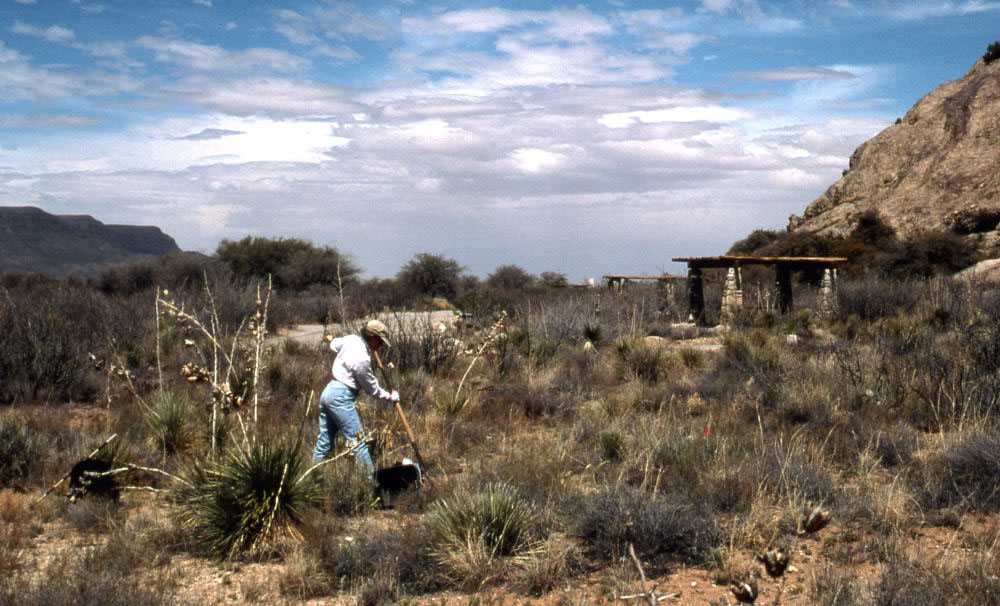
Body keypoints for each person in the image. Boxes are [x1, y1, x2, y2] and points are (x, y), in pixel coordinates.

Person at [312, 319, 399, 473]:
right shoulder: (362, 358)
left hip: (328, 392)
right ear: (372, 336)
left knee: (324, 444)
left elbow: (333, 345)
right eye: (380, 341)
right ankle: (370, 488)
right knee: (358, 443)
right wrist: (389, 397)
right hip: (340, 397)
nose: (381, 346)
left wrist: (343, 354)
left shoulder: (351, 340)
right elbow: (371, 388)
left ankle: (313, 482)